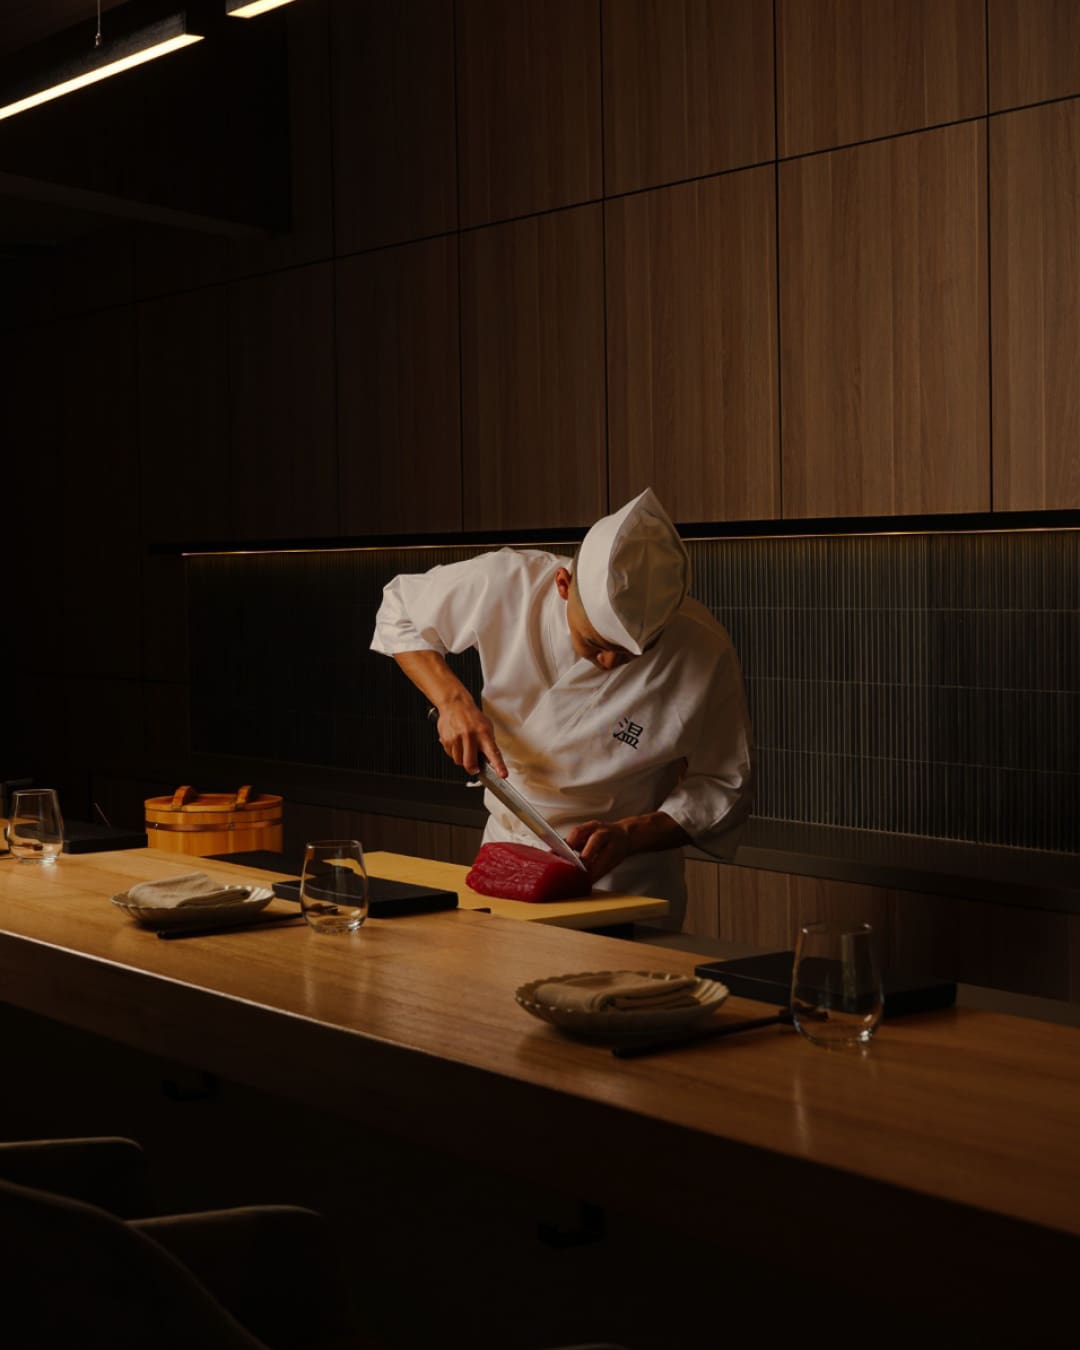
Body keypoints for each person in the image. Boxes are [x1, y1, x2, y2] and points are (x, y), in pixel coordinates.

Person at [370, 488, 753, 922]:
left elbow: (723, 783)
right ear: (563, 585)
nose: (609, 662)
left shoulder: (704, 647)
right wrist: (452, 700)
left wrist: (631, 835)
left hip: (627, 880)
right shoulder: (509, 583)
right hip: (509, 855)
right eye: (594, 643)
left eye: (631, 654)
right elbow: (399, 610)